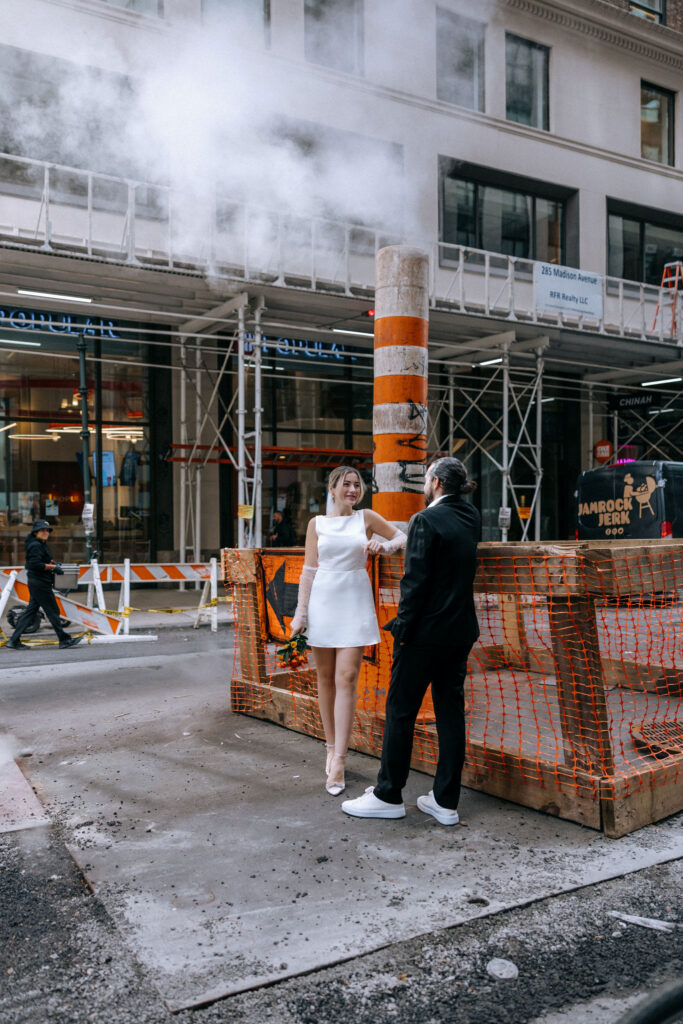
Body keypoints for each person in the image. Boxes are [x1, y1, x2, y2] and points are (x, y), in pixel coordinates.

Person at [342, 457, 480, 825]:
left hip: (422, 635)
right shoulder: (471, 518)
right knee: (450, 713)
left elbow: (414, 584)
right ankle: (445, 801)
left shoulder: (425, 520)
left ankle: (389, 795)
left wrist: (401, 628)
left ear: (435, 482)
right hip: (460, 631)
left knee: (400, 712)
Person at [289, 465, 407, 796]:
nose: (352, 489)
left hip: (355, 601)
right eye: (346, 484)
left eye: (357, 484)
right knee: (324, 679)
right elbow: (309, 571)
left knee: (347, 678)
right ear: (332, 489)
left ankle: (339, 757)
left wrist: (384, 548)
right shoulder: (317, 524)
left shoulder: (366, 518)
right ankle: (330, 746)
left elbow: (402, 536)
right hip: (323, 604)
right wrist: (300, 614)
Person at [5, 520, 82, 651]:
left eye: (47, 530)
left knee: (31, 612)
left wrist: (52, 562)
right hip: (40, 583)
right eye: (43, 530)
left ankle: (14, 640)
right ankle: (64, 639)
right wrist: (53, 567)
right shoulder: (35, 545)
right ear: (36, 532)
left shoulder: (39, 544)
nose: (46, 532)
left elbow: (41, 560)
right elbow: (33, 564)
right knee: (53, 611)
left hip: (38, 582)